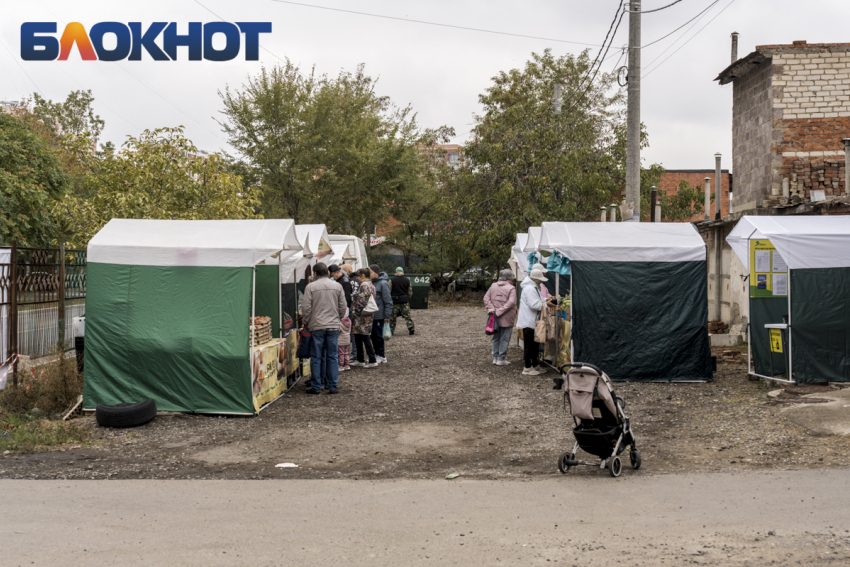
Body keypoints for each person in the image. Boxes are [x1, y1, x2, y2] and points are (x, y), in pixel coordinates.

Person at [300, 262, 347, 394]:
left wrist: (307, 322)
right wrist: (338, 318)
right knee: (332, 355)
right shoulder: (337, 286)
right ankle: (332, 385)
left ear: (315, 273)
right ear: (327, 272)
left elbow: (306, 308)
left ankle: (316, 386)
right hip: (333, 325)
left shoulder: (310, 287)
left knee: (316, 356)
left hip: (317, 326)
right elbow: (343, 306)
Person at [516, 267, 549, 376]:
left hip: (532, 321)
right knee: (529, 345)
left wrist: (546, 301)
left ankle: (535, 364)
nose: (540, 282)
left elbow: (538, 300)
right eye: (540, 280)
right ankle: (527, 367)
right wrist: (547, 304)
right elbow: (534, 305)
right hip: (529, 321)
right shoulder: (530, 289)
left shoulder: (533, 287)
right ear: (535, 279)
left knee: (534, 344)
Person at [483, 269, 517, 366]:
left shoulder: (493, 286)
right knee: (505, 338)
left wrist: (492, 310)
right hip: (507, 316)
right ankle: (501, 358)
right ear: (510, 278)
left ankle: (495, 357)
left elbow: (486, 298)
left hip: (494, 317)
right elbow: (511, 303)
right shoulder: (511, 288)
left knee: (496, 337)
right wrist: (499, 311)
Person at [350, 268, 378, 368]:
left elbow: (361, 301)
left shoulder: (363, 285)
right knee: (359, 336)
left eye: (358, 276)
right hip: (368, 315)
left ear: (362, 275)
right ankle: (360, 358)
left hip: (361, 316)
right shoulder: (371, 284)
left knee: (364, 337)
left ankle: (372, 359)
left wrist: (355, 311)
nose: (357, 278)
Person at [369, 264, 393, 364]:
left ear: (376, 273)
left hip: (379, 315)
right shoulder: (371, 283)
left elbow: (388, 300)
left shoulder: (383, 283)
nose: (369, 274)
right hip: (372, 315)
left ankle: (381, 355)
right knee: (373, 336)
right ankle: (376, 353)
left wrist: (387, 315)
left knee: (378, 336)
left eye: (370, 272)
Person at [390, 267, 415, 335]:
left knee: (392, 317)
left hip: (395, 301)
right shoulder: (407, 280)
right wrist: (408, 298)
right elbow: (409, 291)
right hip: (404, 301)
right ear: (402, 272)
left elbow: (389, 290)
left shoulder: (392, 280)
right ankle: (411, 328)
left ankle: (391, 331)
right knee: (407, 316)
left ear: (396, 271)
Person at [340, 264, 358, 360]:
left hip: (350, 309)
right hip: (357, 310)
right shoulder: (357, 280)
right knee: (353, 333)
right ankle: (354, 353)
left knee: (347, 333)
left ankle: (349, 354)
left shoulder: (348, 281)